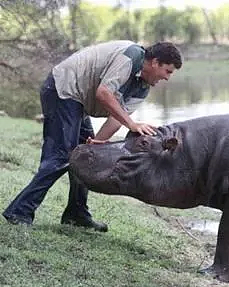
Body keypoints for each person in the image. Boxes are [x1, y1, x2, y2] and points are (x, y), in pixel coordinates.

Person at [2, 40, 183, 231]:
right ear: (155, 62)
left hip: (78, 102)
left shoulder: (143, 87)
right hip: (63, 90)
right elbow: (103, 93)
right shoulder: (131, 56)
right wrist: (131, 124)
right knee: (60, 158)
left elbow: (115, 118)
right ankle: (19, 212)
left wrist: (99, 142)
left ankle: (76, 214)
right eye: (168, 71)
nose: (167, 78)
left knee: (87, 156)